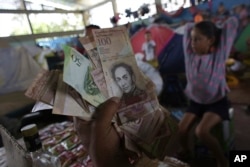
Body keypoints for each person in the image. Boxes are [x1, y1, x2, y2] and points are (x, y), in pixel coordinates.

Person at [177, 17, 238, 167]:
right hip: (196, 102)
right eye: (192, 39)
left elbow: (232, 23)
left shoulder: (218, 55)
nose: (192, 43)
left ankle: (223, 161)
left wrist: (216, 26)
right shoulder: (189, 54)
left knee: (201, 132)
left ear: (210, 40)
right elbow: (187, 28)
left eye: (198, 39)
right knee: (181, 129)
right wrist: (196, 23)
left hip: (216, 103)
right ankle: (186, 152)